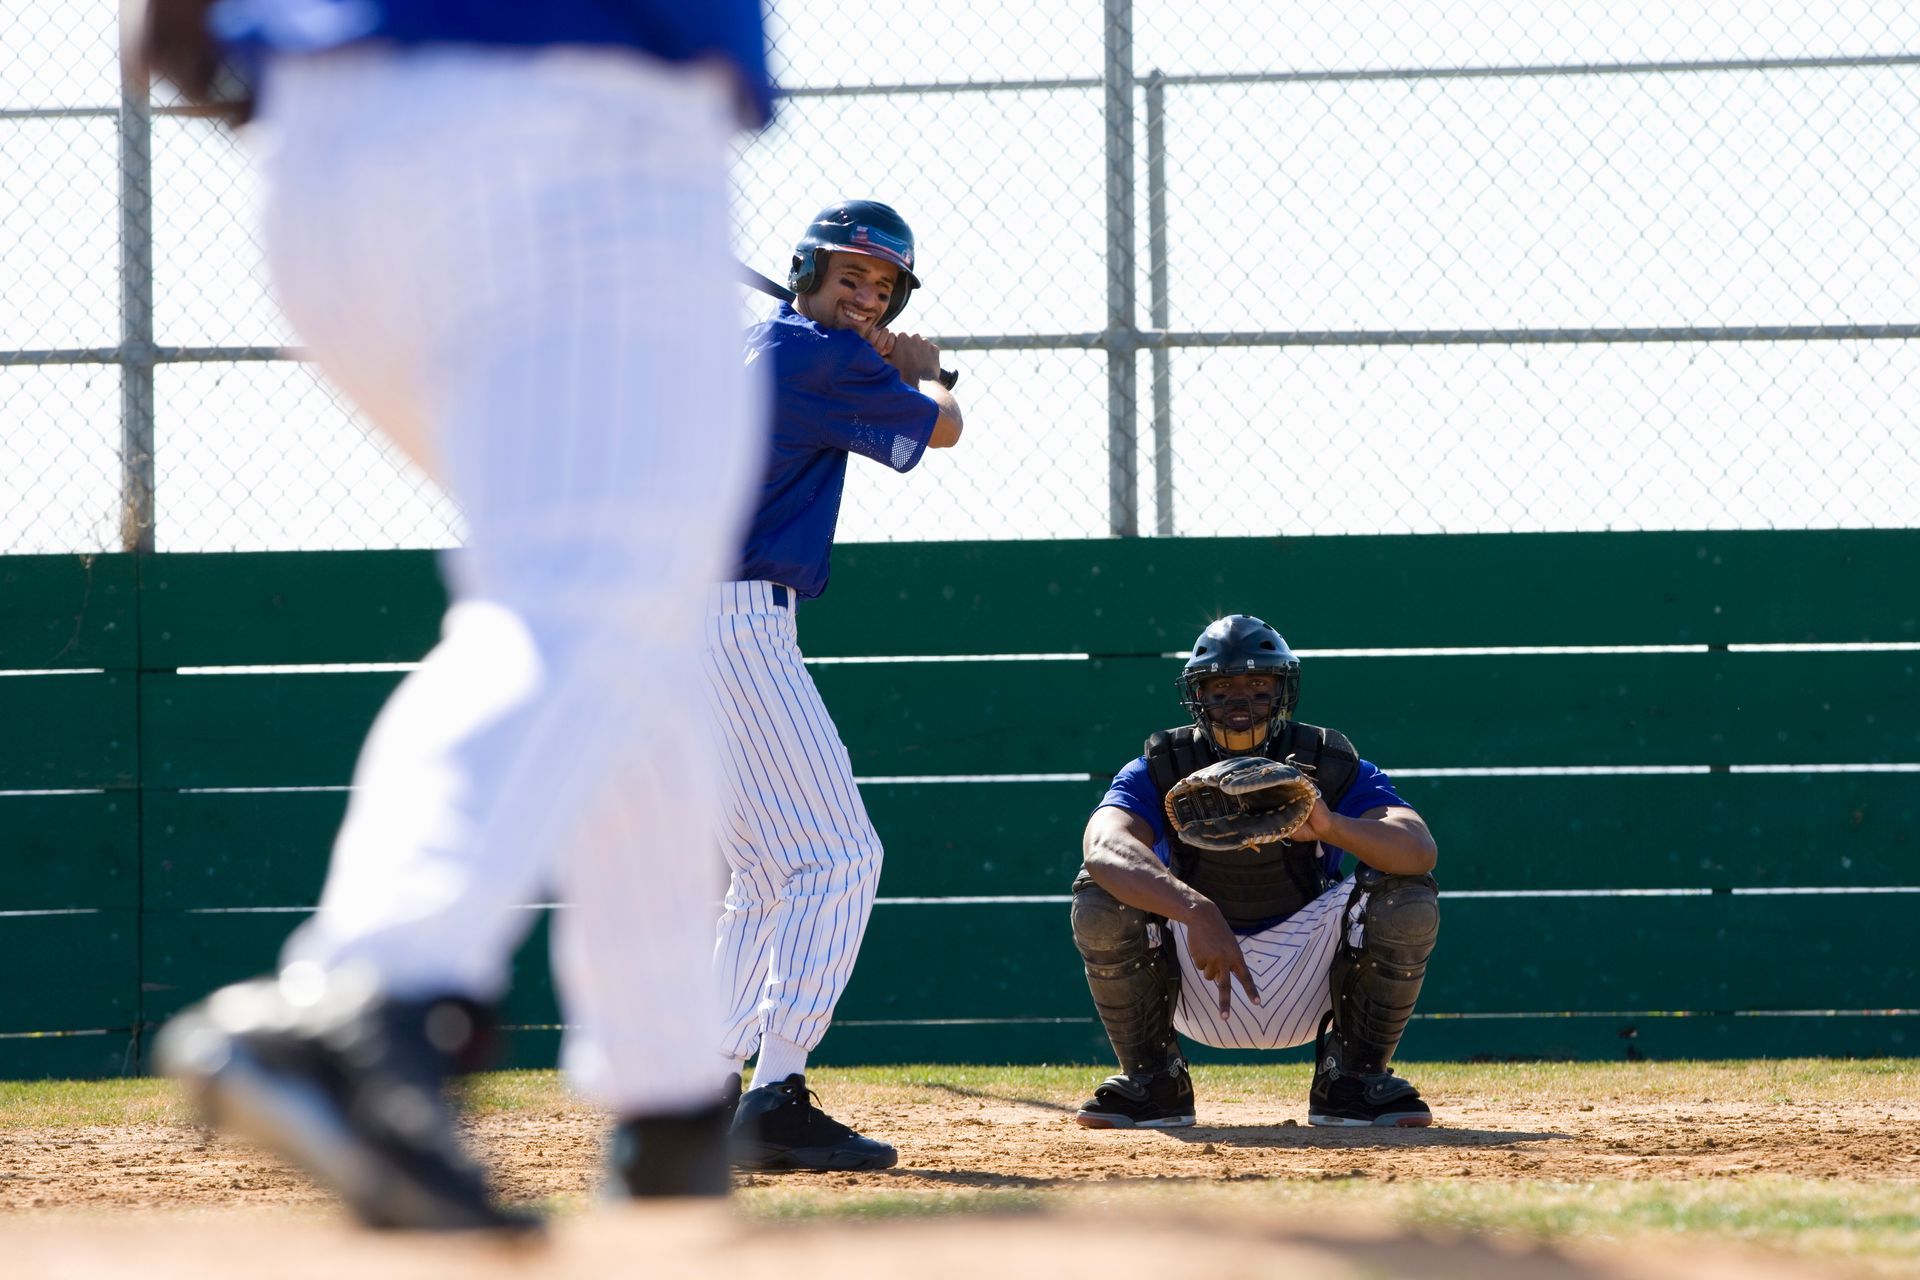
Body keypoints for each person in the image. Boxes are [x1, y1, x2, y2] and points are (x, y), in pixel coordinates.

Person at [141, 0, 773, 1229]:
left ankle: (669, 1094)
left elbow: (162, 37)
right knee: (599, 582)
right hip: (580, 124)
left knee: (622, 600)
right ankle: (370, 984)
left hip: (321, 157)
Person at [708, 200, 963, 1171]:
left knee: (766, 874)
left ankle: (704, 1079)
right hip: (734, 618)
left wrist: (878, 362)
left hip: (674, 620)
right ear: (808, 270)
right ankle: (774, 1089)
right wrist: (922, 370)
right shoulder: (821, 354)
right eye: (849, 276)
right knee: (840, 857)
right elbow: (942, 430)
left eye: (882, 284)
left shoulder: (763, 339)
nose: (865, 294)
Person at [1070, 614, 1440, 1129]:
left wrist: (1330, 826)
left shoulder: (1330, 763)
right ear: (1197, 695)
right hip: (1195, 967)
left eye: (1258, 684)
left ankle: (1352, 1081)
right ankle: (1154, 1082)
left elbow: (1418, 848)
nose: (1240, 700)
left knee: (1407, 895)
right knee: (1101, 895)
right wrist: (1193, 908)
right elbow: (1103, 848)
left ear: (1283, 691)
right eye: (1221, 687)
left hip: (1307, 968)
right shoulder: (1159, 766)